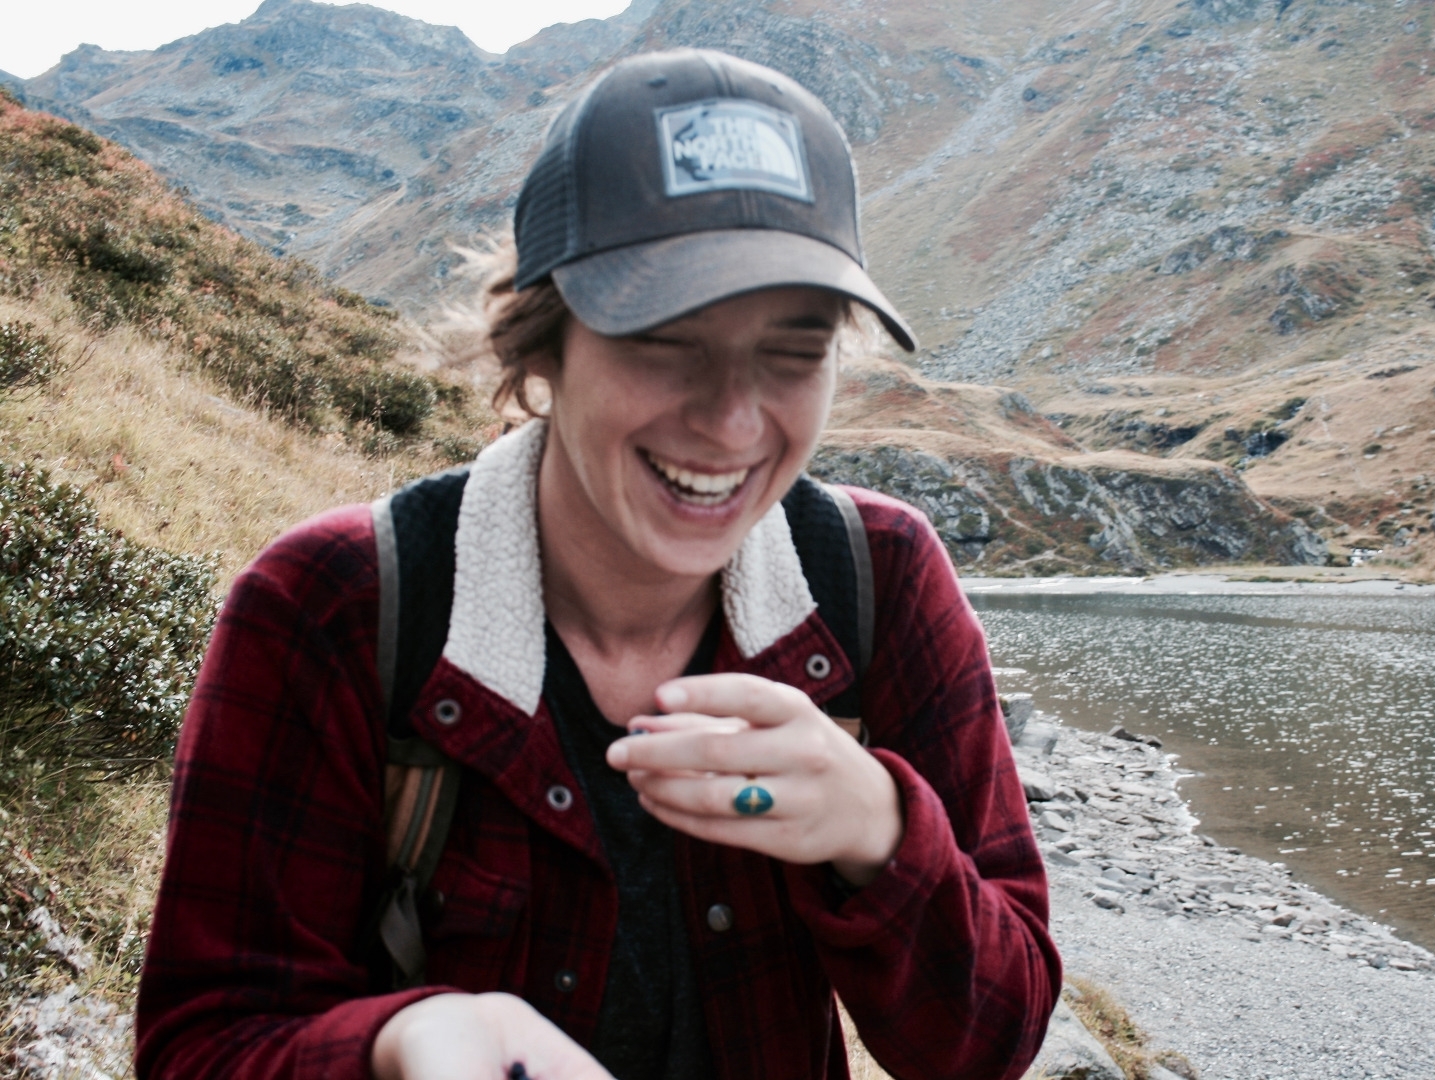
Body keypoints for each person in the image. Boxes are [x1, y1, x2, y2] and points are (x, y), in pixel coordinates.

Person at [135, 48, 1060, 1080]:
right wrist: (409, 1044)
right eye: (665, 338)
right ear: (540, 342)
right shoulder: (332, 607)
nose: (734, 422)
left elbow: (992, 1041)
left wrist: (876, 828)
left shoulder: (880, 576)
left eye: (795, 351)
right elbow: (201, 1047)